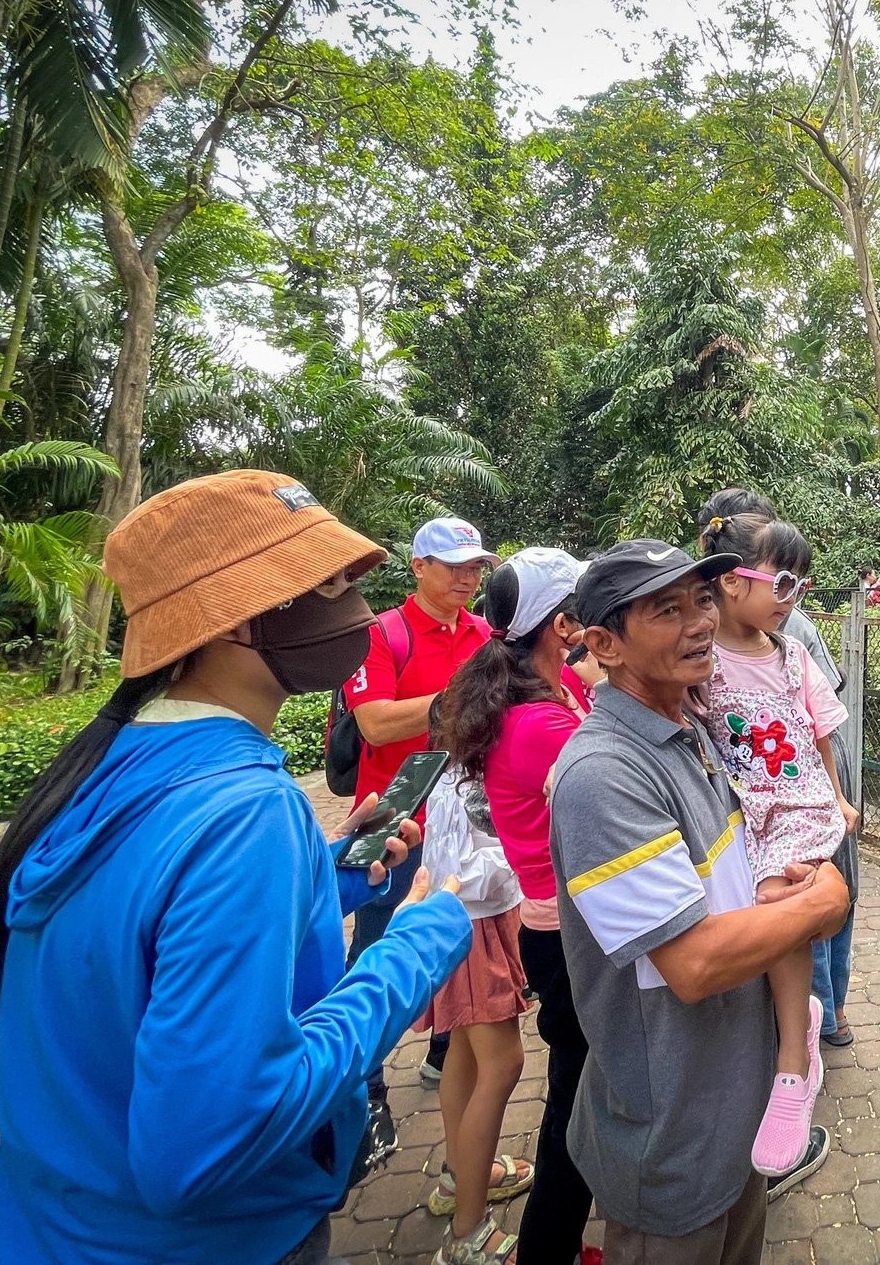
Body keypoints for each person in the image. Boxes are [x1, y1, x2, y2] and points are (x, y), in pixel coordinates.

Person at [0, 469, 473, 1265]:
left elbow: (141, 929)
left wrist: (327, 876)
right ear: (230, 621)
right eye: (325, 584)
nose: (354, 607)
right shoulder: (248, 812)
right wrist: (415, 946)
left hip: (36, 1231)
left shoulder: (117, 762)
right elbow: (210, 1144)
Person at [551, 540, 849, 1263]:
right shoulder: (605, 775)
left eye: (704, 600)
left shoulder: (689, 730)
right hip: (673, 1137)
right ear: (603, 644)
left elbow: (726, 887)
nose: (700, 623)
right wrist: (819, 903)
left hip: (732, 1113)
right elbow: (691, 961)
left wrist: (775, 887)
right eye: (667, 610)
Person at [433, 548, 601, 1265]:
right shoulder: (543, 724)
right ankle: (548, 1247)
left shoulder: (546, 694)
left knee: (578, 1084)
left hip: (563, 921)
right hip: (567, 933)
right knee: (575, 1094)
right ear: (566, 623)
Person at [692, 513, 858, 1174]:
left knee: (776, 896)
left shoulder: (791, 655)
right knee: (748, 911)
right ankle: (794, 1027)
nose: (794, 595)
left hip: (799, 807)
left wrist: (841, 797)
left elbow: (820, 730)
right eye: (784, 580)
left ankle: (794, 1063)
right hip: (742, 809)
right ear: (734, 583)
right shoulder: (702, 655)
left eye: (801, 582)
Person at [344, 516, 498, 1138]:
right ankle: (363, 1078)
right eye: (454, 565)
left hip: (463, 822)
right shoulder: (381, 634)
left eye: (475, 567)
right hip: (395, 824)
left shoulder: (484, 632)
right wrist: (450, 703)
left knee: (460, 935)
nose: (467, 577)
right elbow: (375, 723)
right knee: (377, 941)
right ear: (418, 567)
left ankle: (443, 1052)